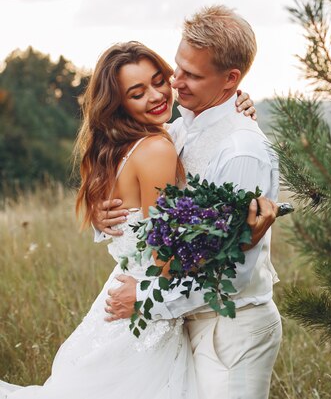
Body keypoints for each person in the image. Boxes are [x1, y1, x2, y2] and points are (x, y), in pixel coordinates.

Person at [0, 42, 260, 399]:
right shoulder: (156, 149)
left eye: (159, 81)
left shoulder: (118, 149)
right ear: (119, 103)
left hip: (120, 300)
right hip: (145, 308)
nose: (156, 96)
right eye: (138, 93)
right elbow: (163, 259)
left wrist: (236, 105)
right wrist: (234, 238)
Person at [103, 6, 282, 399]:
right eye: (178, 67)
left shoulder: (241, 152)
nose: (175, 82)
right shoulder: (180, 128)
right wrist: (110, 216)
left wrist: (147, 296)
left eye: (193, 75)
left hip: (231, 331)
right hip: (184, 324)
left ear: (230, 79)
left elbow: (231, 271)